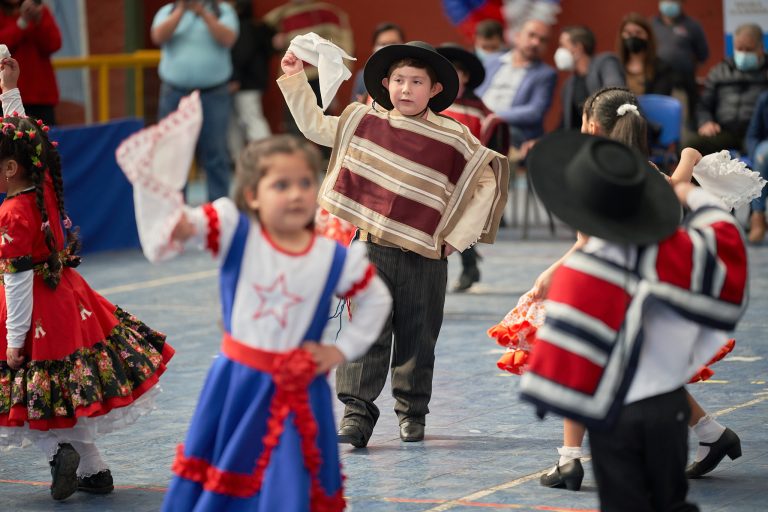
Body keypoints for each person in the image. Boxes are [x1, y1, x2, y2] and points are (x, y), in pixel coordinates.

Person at [120, 122, 391, 509]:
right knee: (230, 472)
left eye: (304, 183)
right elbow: (179, 231)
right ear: (253, 195)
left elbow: (376, 299)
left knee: (289, 482)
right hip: (239, 383)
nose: (295, 194)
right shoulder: (235, 230)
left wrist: (340, 350)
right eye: (281, 185)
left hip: (301, 389)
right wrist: (166, 202)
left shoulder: (331, 256)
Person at [278, 40, 509, 447]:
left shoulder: (454, 137)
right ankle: (356, 415)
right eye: (398, 80)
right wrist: (296, 78)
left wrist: (456, 240)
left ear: (434, 89)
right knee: (365, 333)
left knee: (419, 338)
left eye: (416, 81)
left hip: (426, 255)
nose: (406, 89)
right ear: (385, 83)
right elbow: (315, 126)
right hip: (370, 249)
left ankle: (412, 413)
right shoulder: (363, 122)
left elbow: (487, 181)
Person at [524, 87, 742, 491]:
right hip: (647, 287)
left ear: (590, 124)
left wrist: (551, 274)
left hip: (604, 287)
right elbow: (672, 200)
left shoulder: (592, 173)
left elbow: (587, 241)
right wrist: (688, 161)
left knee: (584, 365)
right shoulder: (644, 170)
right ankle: (713, 434)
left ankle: (570, 460)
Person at [0, 57, 174, 502]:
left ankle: (60, 452)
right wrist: (9, 91)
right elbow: (26, 138)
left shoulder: (11, 213)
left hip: (34, 307)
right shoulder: (42, 189)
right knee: (65, 391)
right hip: (69, 300)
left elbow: (16, 283)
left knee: (30, 394)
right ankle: (95, 470)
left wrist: (15, 339)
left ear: (9, 169)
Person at [438, 43, 510, 292]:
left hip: (466, 176)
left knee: (456, 220)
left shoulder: (477, 109)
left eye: (458, 71)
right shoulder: (431, 102)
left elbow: (491, 133)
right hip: (434, 174)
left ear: (467, 76)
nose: (453, 76)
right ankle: (468, 262)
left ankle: (467, 264)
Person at [151, 0, 239, 201]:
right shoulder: (168, 11)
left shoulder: (222, 11)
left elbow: (228, 39)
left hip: (214, 93)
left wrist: (203, 14)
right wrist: (181, 10)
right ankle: (175, 207)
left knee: (216, 153)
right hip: (175, 93)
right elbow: (158, 36)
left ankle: (219, 207)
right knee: (173, 154)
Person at [265, 0, 354, 132]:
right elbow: (266, 27)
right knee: (297, 121)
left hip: (318, 75)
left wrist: (338, 69)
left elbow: (342, 41)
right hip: (295, 75)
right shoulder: (284, 14)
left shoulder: (326, 12)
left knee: (323, 123)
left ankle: (325, 152)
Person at [686, 23, 768, 156]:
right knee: (691, 146)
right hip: (724, 132)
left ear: (761, 48)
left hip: (759, 134)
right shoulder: (720, 71)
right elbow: (703, 105)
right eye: (740, 49)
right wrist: (705, 121)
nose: (744, 53)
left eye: (749, 49)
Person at [475, 18, 557, 151]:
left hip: (510, 129)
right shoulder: (492, 61)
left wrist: (494, 116)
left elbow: (535, 112)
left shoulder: (546, 74)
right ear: (517, 36)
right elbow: (476, 92)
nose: (536, 43)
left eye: (542, 40)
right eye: (531, 35)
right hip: (479, 121)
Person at [0, 0, 61, 125]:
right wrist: (22, 23)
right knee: (9, 141)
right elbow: (2, 43)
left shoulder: (38, 11)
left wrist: (38, 21)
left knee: (44, 140)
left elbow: (54, 44)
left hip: (40, 96)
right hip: (6, 94)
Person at [226, 0, 273, 158]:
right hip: (246, 82)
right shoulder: (256, 26)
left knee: (250, 119)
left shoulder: (242, 26)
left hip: (244, 83)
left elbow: (242, 54)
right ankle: (241, 163)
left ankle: (268, 158)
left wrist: (234, 78)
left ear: (239, 7)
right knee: (236, 123)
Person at [555, 25, 626, 130]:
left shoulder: (606, 62)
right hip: (583, 141)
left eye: (562, 45)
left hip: (615, 133)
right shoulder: (569, 85)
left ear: (578, 48)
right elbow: (565, 124)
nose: (559, 51)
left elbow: (616, 95)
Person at [651, 0, 709, 128]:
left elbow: (703, 54)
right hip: (658, 80)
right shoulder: (651, 24)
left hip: (685, 80)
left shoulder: (692, 25)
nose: (670, 3)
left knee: (689, 120)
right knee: (659, 116)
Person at [616, 12, 676, 96]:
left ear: (648, 35)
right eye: (628, 33)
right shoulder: (615, 65)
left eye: (638, 33)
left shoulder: (662, 68)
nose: (633, 37)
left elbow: (659, 100)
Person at [350, 22, 405, 104]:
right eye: (382, 44)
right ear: (374, 48)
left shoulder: (412, 73)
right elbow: (353, 107)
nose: (387, 48)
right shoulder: (363, 75)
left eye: (393, 43)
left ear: (403, 45)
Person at [745, 90, 768, 243]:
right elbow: (752, 134)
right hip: (766, 144)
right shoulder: (764, 98)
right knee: (762, 155)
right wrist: (754, 155)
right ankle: (758, 216)